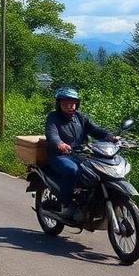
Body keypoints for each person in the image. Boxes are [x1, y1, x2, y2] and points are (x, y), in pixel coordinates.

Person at [44, 87, 115, 219]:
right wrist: (60, 143)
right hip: (60, 155)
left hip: (81, 154)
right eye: (65, 102)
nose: (69, 105)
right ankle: (66, 205)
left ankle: (91, 200)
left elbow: (96, 130)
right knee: (72, 170)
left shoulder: (81, 117)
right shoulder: (53, 117)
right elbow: (51, 133)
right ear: (59, 104)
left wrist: (111, 137)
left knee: (98, 170)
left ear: (77, 103)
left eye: (72, 102)